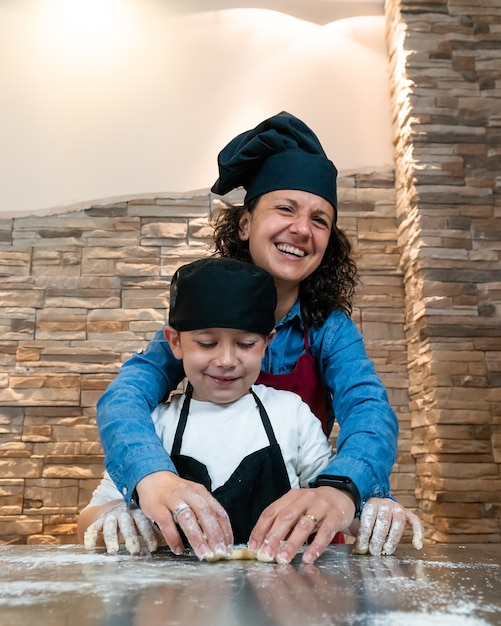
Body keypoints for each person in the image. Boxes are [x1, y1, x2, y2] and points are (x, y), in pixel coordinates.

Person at [95, 111, 418, 564]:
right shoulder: (199, 314)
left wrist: (342, 488)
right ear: (245, 224)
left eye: (320, 219)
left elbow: (368, 410)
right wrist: (152, 477)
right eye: (285, 208)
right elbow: (125, 396)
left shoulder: (328, 330)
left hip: (299, 554)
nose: (302, 229)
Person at [80, 258, 423, 559]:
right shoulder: (155, 423)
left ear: (267, 343)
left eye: (246, 344)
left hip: (283, 603)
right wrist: (116, 515)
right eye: (206, 342)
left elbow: (334, 506)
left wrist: (374, 507)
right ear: (174, 342)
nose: (227, 360)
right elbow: (90, 515)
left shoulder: (292, 414)